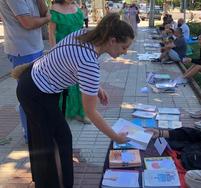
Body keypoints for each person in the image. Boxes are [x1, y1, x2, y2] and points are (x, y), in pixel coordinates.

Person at [15, 13, 134, 188]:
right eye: (124, 47)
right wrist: (115, 137)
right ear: (112, 40)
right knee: (56, 141)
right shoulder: (89, 63)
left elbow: (71, 61)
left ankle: (48, 181)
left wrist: (96, 87)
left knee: (56, 138)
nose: (125, 52)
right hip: (35, 93)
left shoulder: (85, 34)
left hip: (34, 81)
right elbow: (91, 112)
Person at [0, 0, 50, 143]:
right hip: (22, 50)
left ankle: (37, 130)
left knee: (38, 92)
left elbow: (43, 12)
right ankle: (31, 135)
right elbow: (28, 23)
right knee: (28, 94)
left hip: (35, 47)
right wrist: (47, 19)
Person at [48, 0, 90, 124]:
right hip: (63, 51)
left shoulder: (76, 6)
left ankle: (81, 112)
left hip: (78, 50)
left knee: (80, 81)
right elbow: (51, 33)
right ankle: (63, 112)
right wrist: (54, 53)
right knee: (64, 81)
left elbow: (81, 29)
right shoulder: (54, 8)